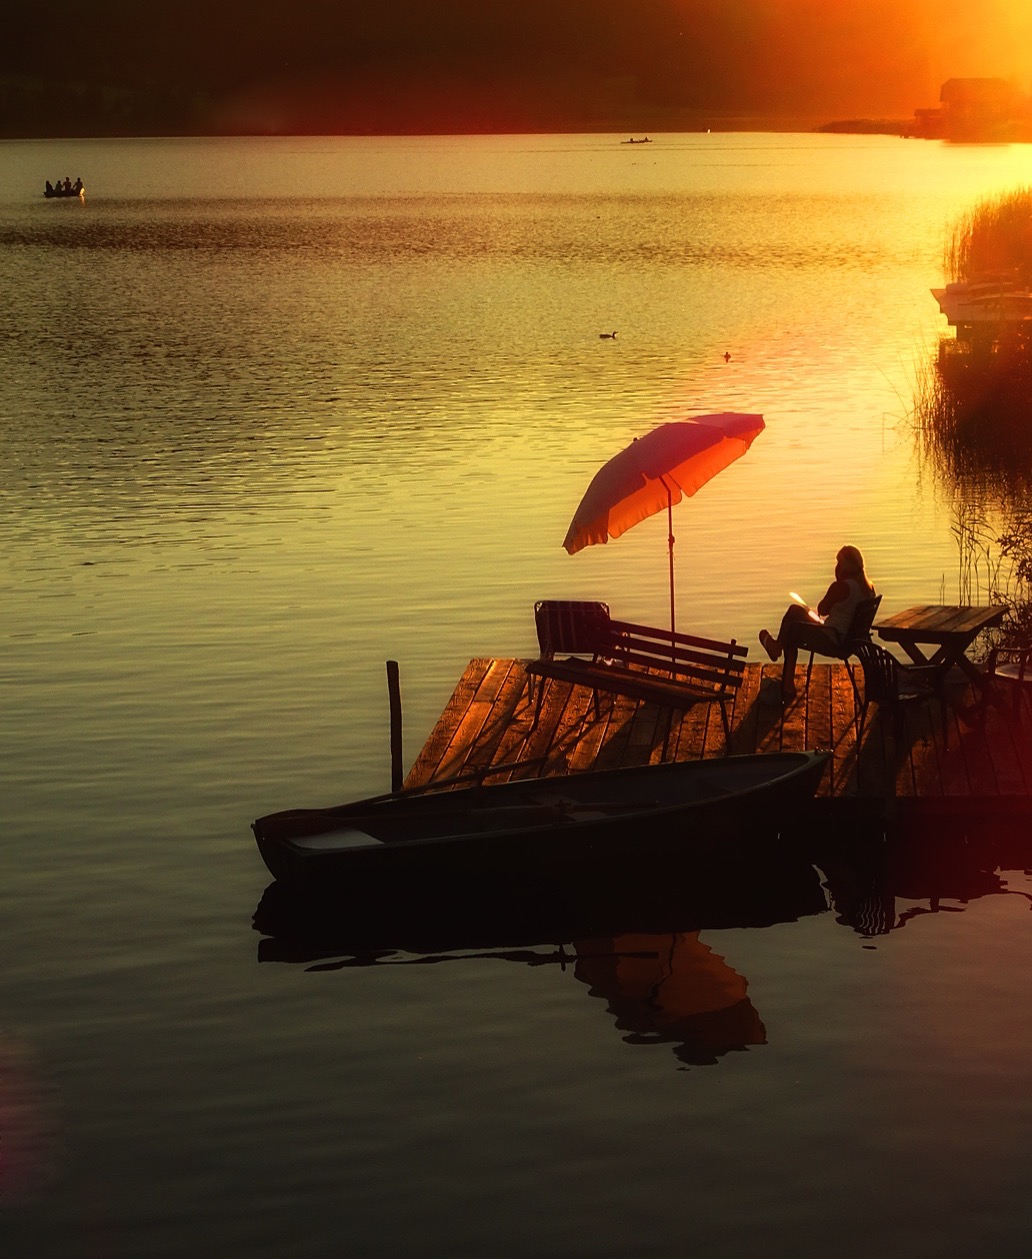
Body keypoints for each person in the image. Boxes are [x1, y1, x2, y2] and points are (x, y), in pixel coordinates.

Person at [758, 545, 876, 704]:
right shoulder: (869, 588)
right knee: (793, 626)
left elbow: (822, 609)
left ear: (846, 566)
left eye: (839, 563)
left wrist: (837, 581)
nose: (837, 567)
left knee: (793, 617)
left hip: (832, 639)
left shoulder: (842, 587)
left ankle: (778, 652)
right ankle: (786, 681)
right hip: (848, 641)